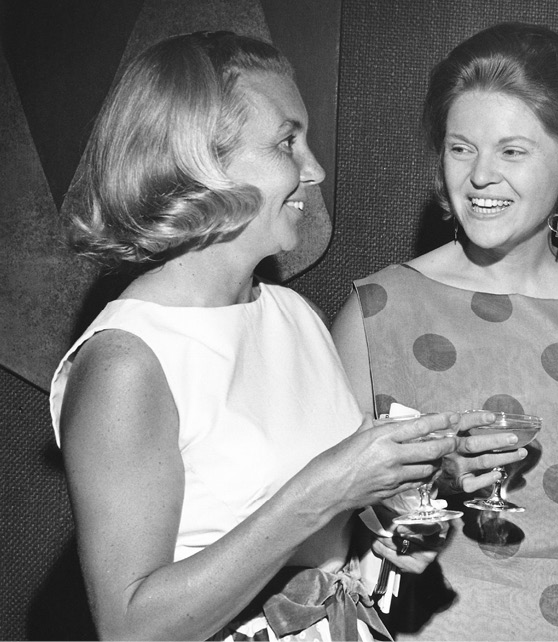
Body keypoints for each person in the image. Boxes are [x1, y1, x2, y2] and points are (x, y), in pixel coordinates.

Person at [48, 31, 514, 641]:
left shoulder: (291, 313)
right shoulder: (127, 361)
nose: (314, 169)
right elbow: (129, 628)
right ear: (197, 162)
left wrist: (417, 498)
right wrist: (323, 491)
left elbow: (330, 542)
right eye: (287, 143)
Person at [331, 22, 558, 641]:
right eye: (461, 148)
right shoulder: (378, 311)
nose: (480, 176)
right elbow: (331, 523)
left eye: (512, 151)